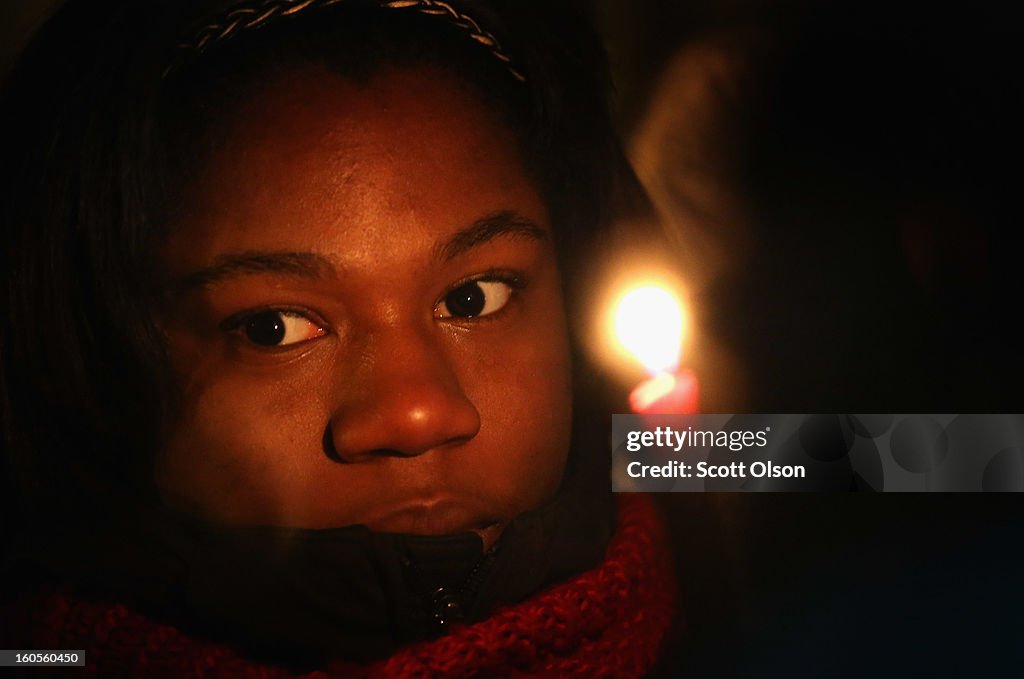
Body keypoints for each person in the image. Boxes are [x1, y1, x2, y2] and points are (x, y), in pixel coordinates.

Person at [0, 0, 676, 675]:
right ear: (92, 362)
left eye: (474, 298)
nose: (418, 415)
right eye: (275, 329)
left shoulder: (734, 589)